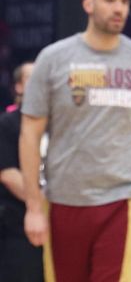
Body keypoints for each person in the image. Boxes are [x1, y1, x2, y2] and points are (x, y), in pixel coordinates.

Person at [19, 0, 131, 282]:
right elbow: (30, 133)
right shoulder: (53, 59)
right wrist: (33, 205)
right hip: (63, 198)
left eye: (125, 2)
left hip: (124, 198)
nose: (119, 9)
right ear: (88, 4)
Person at [0, 62, 43, 281]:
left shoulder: (60, 123)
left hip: (60, 224)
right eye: (31, 79)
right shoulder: (7, 123)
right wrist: (41, 204)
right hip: (19, 226)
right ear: (18, 87)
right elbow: (7, 174)